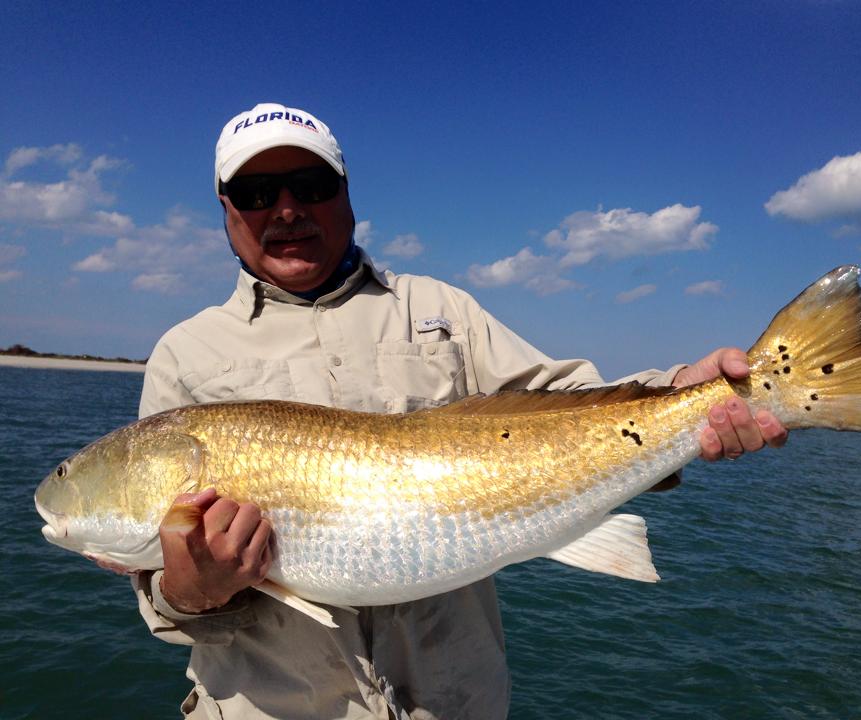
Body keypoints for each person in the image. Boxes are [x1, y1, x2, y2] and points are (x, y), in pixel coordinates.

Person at [133, 102, 788, 720]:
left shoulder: (442, 311)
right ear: (225, 210)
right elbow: (163, 600)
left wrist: (683, 390)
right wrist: (194, 588)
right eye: (256, 195)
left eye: (309, 184)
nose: (286, 209)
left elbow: (563, 402)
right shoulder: (185, 355)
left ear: (345, 191)